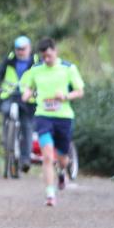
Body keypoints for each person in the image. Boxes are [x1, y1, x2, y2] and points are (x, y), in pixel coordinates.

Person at [19, 38, 84, 207]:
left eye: (49, 55)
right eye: (43, 57)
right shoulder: (36, 69)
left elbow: (80, 91)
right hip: (43, 115)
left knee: (62, 158)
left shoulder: (68, 68)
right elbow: (29, 86)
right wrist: (26, 93)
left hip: (63, 117)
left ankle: (62, 172)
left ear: (55, 51)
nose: (46, 59)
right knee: (47, 156)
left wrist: (66, 96)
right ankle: (50, 193)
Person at [0, 36, 40, 173]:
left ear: (29, 48)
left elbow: (42, 79)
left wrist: (36, 91)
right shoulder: (10, 59)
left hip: (27, 99)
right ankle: (8, 141)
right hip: (9, 95)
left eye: (23, 49)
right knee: (6, 114)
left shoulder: (36, 62)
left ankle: (25, 159)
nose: (20, 51)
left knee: (27, 126)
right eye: (18, 49)